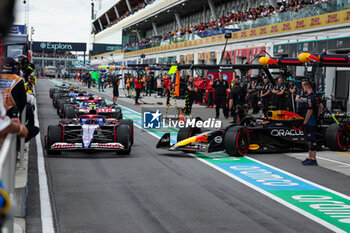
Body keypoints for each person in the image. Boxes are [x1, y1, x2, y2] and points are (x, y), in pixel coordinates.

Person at [301, 80, 318, 166]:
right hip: (313, 120)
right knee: (309, 139)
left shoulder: (310, 97)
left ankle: (313, 158)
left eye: (303, 86)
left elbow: (309, 111)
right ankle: (309, 157)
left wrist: (305, 122)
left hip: (311, 122)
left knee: (312, 139)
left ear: (306, 86)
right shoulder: (314, 96)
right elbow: (321, 106)